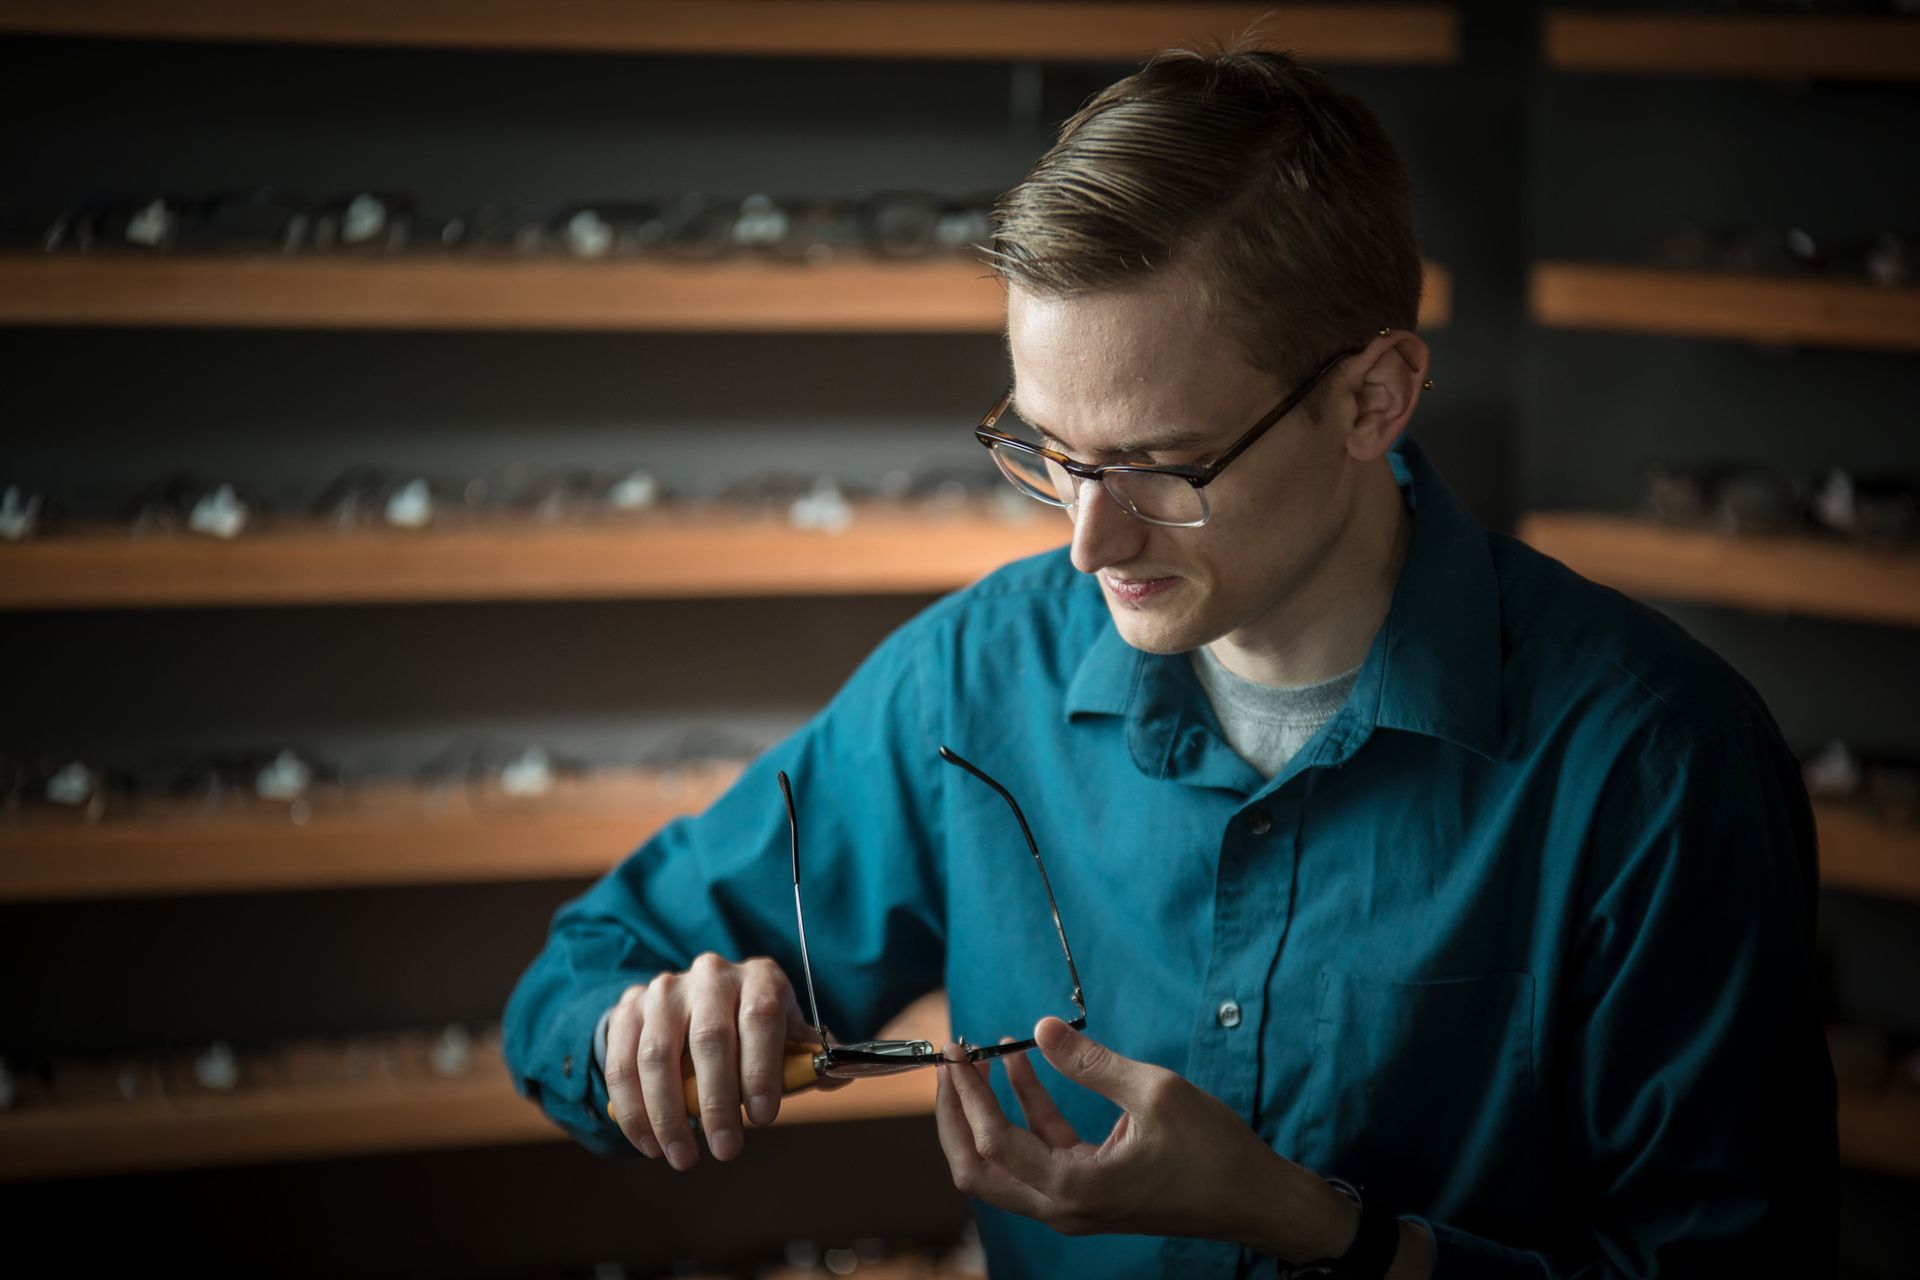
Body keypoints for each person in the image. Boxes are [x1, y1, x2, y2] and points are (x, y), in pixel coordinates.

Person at [504, 45, 1836, 1279]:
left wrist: (1313, 1228)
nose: (1089, 542)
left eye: (1156, 465)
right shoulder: (978, 680)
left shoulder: (1659, 764)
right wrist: (648, 1035)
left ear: (1373, 397)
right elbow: (572, 985)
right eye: (1051, 453)